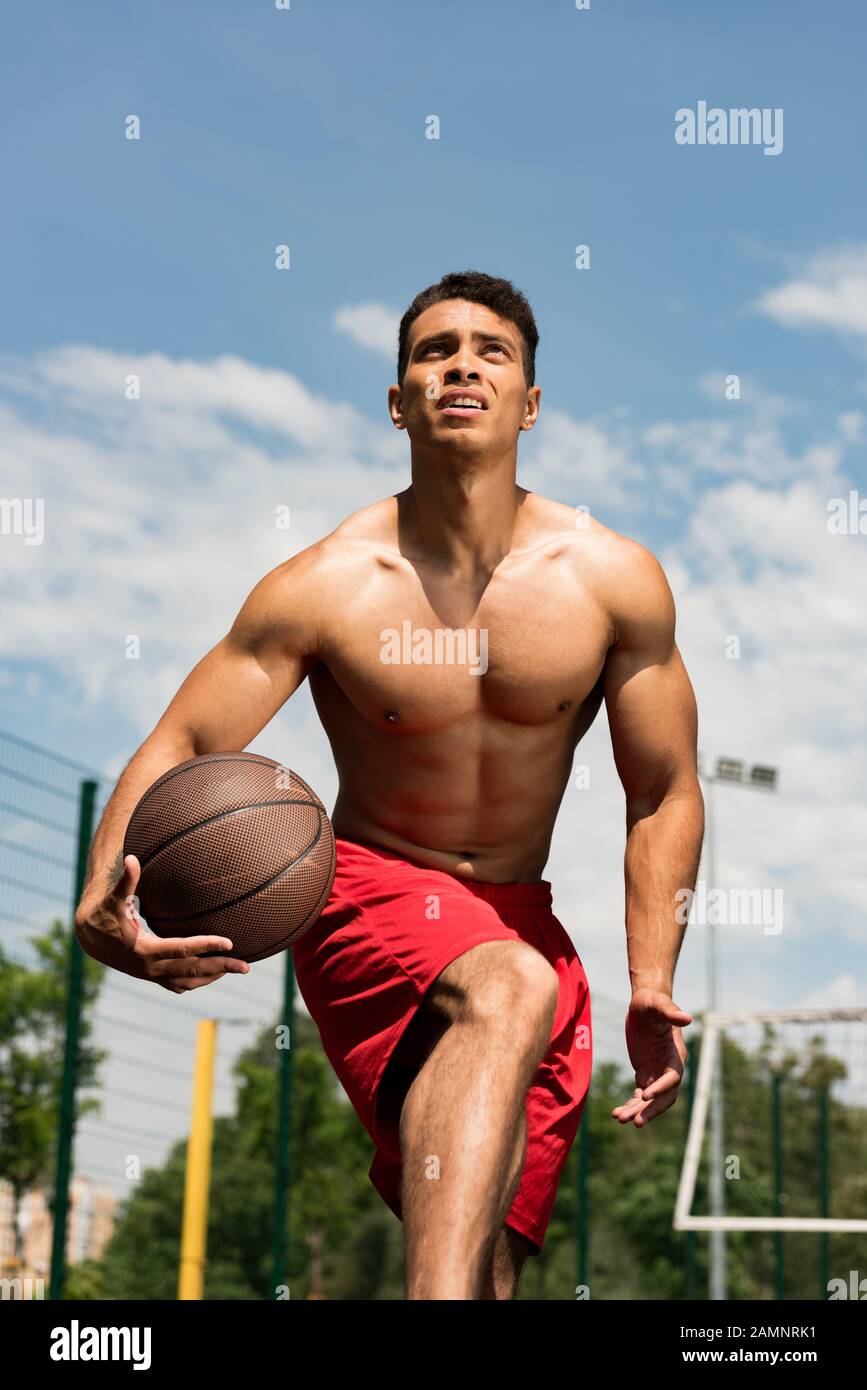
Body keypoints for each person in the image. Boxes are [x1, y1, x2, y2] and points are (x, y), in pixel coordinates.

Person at [75, 270, 703, 1300]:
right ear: (397, 399)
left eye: (491, 351)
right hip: (368, 890)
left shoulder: (612, 579)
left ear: (531, 404)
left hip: (522, 913)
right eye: (433, 350)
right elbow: (185, 735)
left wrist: (648, 973)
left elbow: (664, 789)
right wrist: (106, 893)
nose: (462, 363)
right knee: (509, 989)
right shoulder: (328, 582)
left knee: (489, 1258)